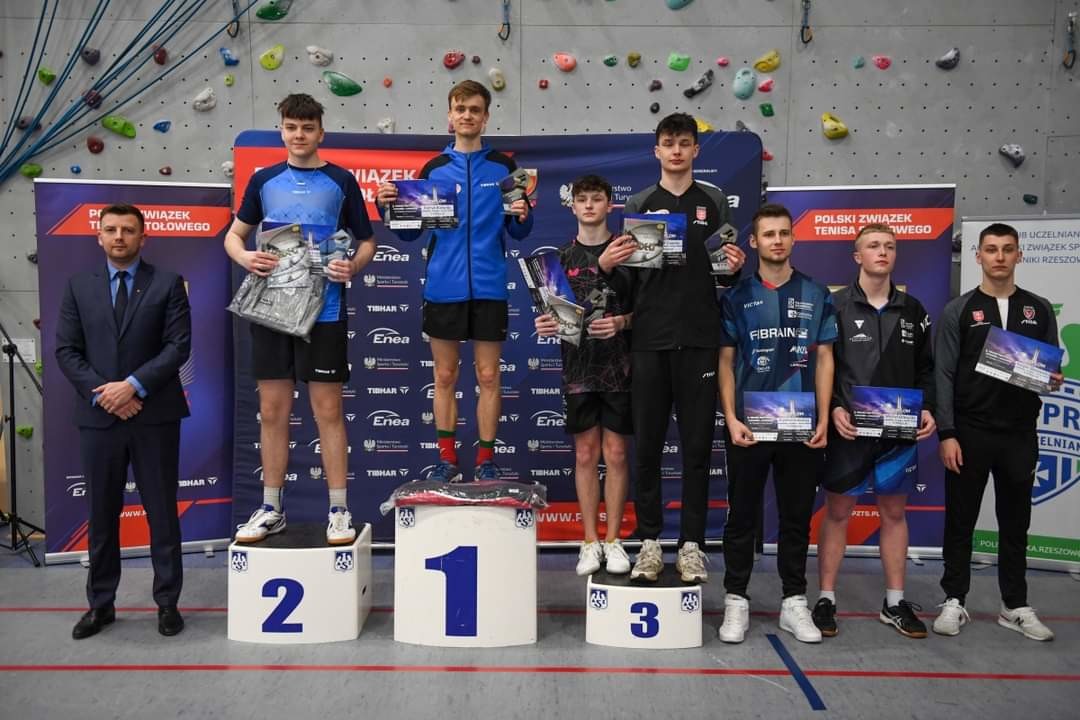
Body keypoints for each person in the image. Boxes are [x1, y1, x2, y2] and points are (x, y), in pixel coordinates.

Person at [225, 93, 376, 545]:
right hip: (272, 309)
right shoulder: (264, 180)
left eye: (307, 128)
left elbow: (366, 241)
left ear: (320, 133)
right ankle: (271, 508)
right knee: (273, 411)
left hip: (324, 311)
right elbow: (234, 236)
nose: (299, 135)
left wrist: (353, 266)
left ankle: (339, 510)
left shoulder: (341, 181)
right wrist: (246, 258)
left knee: (328, 410)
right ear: (282, 130)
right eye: (291, 127)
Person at [606, 112, 745, 584]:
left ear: (696, 150)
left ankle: (690, 546)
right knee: (646, 447)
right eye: (669, 143)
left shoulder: (714, 201)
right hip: (648, 340)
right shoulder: (641, 203)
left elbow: (724, 271)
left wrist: (734, 268)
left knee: (697, 450)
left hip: (701, 340)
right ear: (657, 151)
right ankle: (648, 543)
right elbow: (629, 280)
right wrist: (613, 264)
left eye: (685, 143)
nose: (677, 151)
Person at [376, 80, 533, 483]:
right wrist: (385, 206)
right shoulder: (433, 170)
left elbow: (520, 231)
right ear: (450, 115)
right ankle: (447, 460)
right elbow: (409, 233)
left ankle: (486, 461)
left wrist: (522, 213)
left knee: (488, 377)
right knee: (444, 377)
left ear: (486, 117)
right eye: (460, 108)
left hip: (490, 287)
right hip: (443, 287)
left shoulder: (504, 168)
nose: (467, 115)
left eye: (474, 109)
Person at [56, 204, 191, 639]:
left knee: (162, 513)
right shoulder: (78, 286)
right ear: (98, 236)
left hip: (155, 417)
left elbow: (178, 346)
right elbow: (66, 351)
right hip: (100, 418)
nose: (119, 237)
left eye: (128, 230)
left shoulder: (168, 283)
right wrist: (107, 395)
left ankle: (167, 603)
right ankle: (101, 605)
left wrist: (132, 386)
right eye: (111, 229)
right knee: (101, 515)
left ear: (142, 237)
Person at [932, 222, 1063, 641]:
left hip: (1019, 433)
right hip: (970, 431)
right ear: (979, 256)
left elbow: (1047, 373)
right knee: (960, 521)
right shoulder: (959, 310)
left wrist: (1051, 380)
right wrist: (947, 433)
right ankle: (954, 598)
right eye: (991, 249)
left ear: (1019, 255)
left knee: (1015, 522)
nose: (1000, 257)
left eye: (1008, 249)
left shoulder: (1039, 308)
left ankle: (1014, 605)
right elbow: (943, 374)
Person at [717, 203, 837, 644]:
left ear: (793, 238)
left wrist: (823, 417)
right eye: (769, 234)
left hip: (801, 425)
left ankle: (794, 601)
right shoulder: (736, 296)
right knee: (741, 516)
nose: (778, 241)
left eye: (784, 233)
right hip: (749, 425)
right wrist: (731, 418)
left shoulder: (817, 293)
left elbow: (826, 359)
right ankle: (736, 600)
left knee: (796, 516)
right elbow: (725, 362)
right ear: (754, 241)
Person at [812, 223, 936, 639]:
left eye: (889, 246)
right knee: (837, 513)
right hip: (849, 431)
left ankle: (894, 602)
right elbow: (822, 366)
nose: (882, 252)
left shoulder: (914, 310)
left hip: (897, 432)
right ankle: (826, 598)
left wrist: (928, 409)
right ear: (857, 256)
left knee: (894, 514)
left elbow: (926, 369)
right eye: (873, 246)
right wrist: (832, 409)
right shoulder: (835, 305)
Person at [533, 175, 636, 576]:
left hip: (621, 369)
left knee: (617, 454)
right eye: (583, 199)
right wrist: (545, 325)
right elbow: (557, 318)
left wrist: (622, 322)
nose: (590, 205)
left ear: (610, 205)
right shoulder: (558, 260)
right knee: (585, 454)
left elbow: (648, 311)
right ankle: (590, 542)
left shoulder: (629, 251)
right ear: (572, 206)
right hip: (578, 370)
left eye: (597, 199)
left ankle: (614, 541)